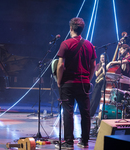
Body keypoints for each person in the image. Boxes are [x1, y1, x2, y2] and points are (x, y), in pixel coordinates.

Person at [55, 17, 96, 149]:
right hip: (84, 83)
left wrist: (59, 81)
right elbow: (93, 65)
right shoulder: (90, 45)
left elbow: (60, 65)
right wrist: (87, 80)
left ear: (71, 28)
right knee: (85, 113)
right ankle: (84, 141)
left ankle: (68, 142)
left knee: (68, 112)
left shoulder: (65, 43)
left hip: (68, 83)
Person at [90, 53, 108, 118]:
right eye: (101, 57)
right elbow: (96, 74)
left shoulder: (107, 65)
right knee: (94, 98)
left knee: (102, 99)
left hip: (104, 83)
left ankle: (101, 114)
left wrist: (104, 67)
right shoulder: (98, 65)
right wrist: (101, 67)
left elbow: (105, 74)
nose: (102, 59)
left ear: (106, 58)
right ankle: (91, 113)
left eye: (103, 57)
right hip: (98, 83)